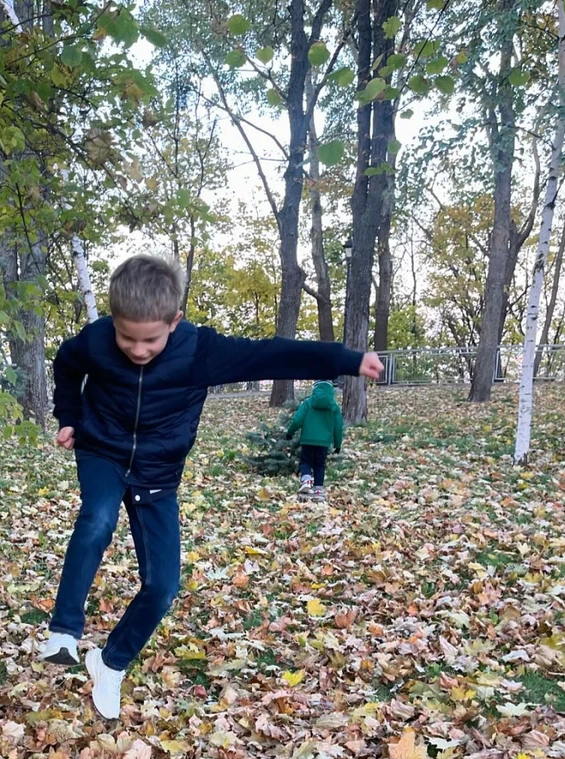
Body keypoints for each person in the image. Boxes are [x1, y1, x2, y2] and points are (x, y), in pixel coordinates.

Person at [37, 254, 383, 719]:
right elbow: (66, 361)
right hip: (102, 451)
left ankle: (111, 662)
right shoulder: (96, 340)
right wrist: (68, 416)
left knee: (163, 585)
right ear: (113, 322)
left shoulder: (200, 350)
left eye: (151, 340)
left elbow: (275, 354)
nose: (137, 350)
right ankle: (64, 632)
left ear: (175, 321)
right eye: (127, 338)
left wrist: (347, 359)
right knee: (97, 518)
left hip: (158, 474)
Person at [286, 380, 344, 503]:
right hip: (324, 443)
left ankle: (306, 480)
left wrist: (290, 432)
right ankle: (318, 491)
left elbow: (297, 420)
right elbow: (338, 427)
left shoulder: (307, 403)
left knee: (306, 461)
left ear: (315, 389)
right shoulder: (334, 407)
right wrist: (337, 444)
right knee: (320, 465)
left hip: (307, 440)